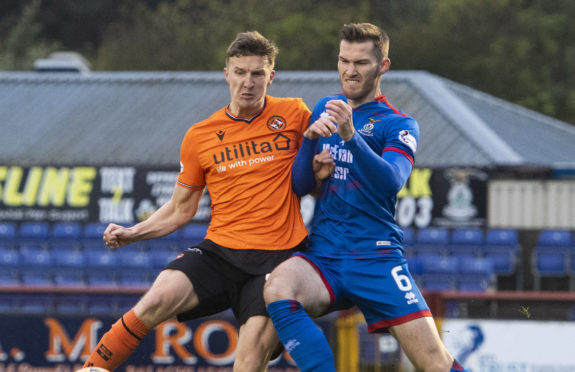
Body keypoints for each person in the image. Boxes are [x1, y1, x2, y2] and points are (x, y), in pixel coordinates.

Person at [83, 31, 314, 372]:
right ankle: (91, 367)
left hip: (278, 261)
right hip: (220, 252)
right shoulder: (200, 135)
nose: (248, 82)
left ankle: (270, 338)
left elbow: (323, 168)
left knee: (249, 362)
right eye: (240, 72)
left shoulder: (294, 114)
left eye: (257, 74)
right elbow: (180, 209)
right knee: (157, 298)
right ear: (226, 74)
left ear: (271, 76)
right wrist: (134, 233)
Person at [264, 23, 470, 372]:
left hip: (376, 258)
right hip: (325, 255)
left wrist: (350, 136)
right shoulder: (325, 108)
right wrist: (310, 144)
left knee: (433, 362)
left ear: (382, 66)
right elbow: (299, 186)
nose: (349, 70)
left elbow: (391, 181)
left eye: (360, 62)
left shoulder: (399, 125)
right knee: (277, 286)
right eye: (344, 61)